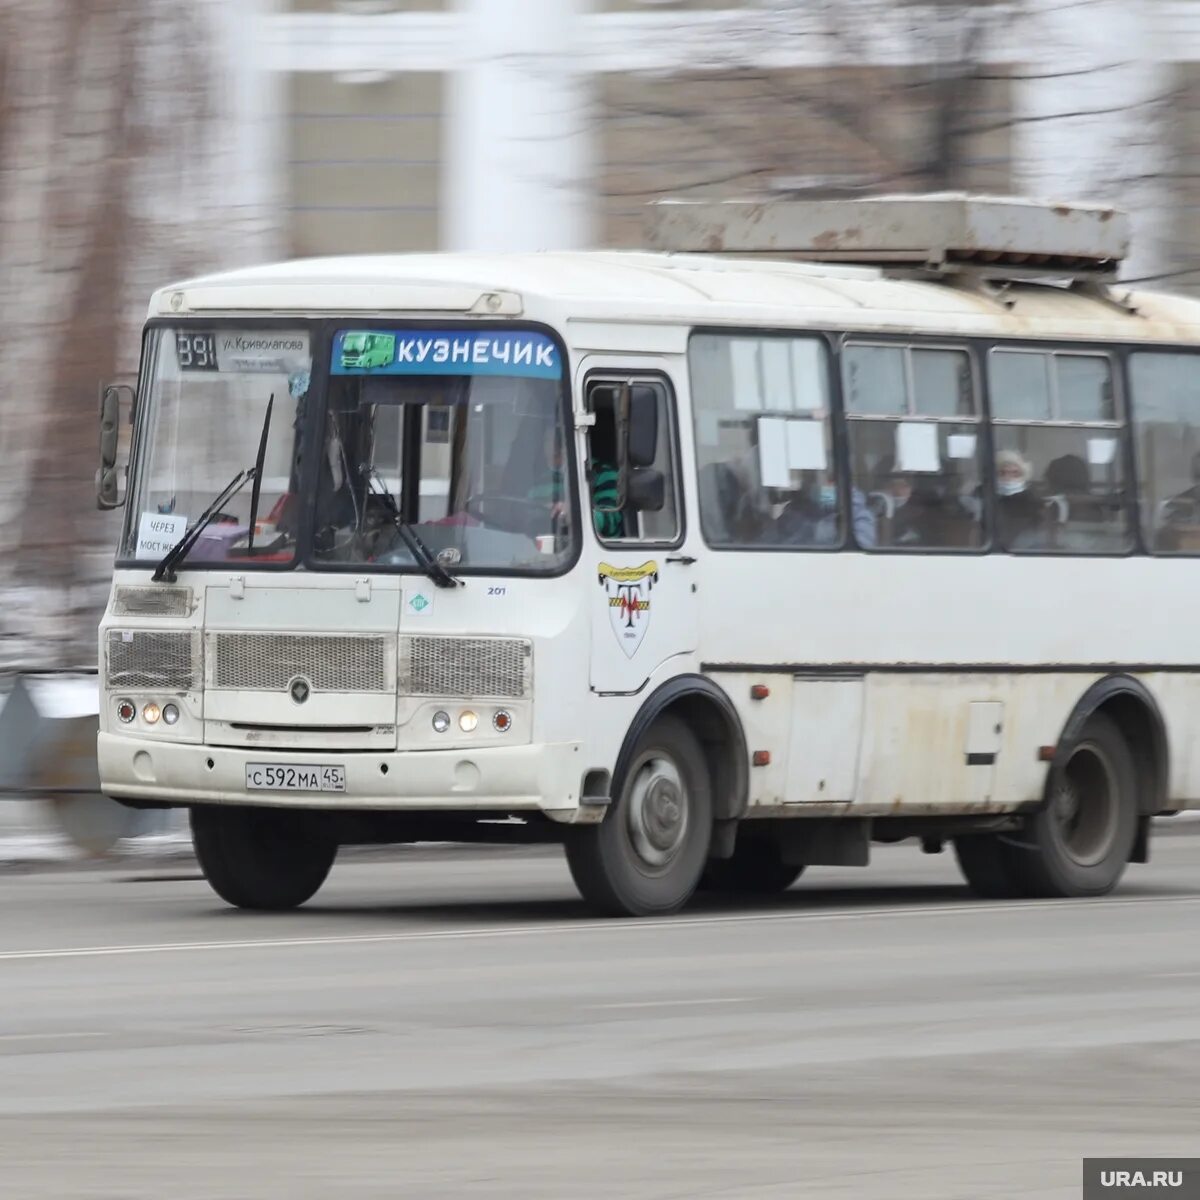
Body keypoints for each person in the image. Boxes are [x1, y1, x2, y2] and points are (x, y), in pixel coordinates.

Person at [528, 425, 622, 538]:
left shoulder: (604, 474)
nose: (549, 444)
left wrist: (573, 512)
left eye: (558, 436)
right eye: (547, 439)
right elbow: (530, 519)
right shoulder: (541, 481)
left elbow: (612, 522)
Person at [772, 471, 877, 548]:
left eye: (824, 486)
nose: (814, 489)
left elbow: (862, 549)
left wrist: (816, 531)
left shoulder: (860, 514)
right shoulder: (801, 509)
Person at [994, 448, 1045, 549]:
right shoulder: (984, 496)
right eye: (1002, 473)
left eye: (1015, 473)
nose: (1008, 478)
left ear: (1024, 475)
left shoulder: (1034, 500)